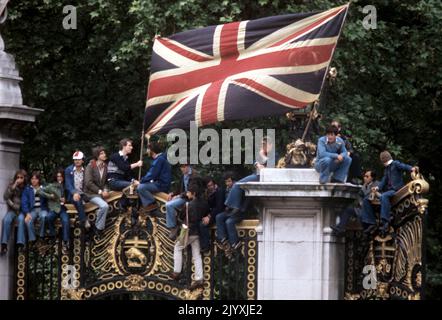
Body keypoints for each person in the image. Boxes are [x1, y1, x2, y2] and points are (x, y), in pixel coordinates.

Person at [361, 151, 417, 236]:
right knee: (368, 200)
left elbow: (404, 166)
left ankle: (385, 221)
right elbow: (383, 181)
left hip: (396, 190)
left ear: (384, 160)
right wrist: (377, 188)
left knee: (384, 196)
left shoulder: (395, 163)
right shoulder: (387, 169)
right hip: (390, 191)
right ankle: (371, 223)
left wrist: (412, 169)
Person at [171, 182, 208, 290]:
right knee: (197, 255)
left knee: (177, 247)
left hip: (188, 232)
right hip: (198, 232)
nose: (187, 193)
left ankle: (177, 271)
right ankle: (199, 279)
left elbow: (181, 216)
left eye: (188, 192)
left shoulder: (188, 205)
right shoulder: (204, 203)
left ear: (193, 193)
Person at [330, 170, 379, 236]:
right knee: (348, 209)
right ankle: (340, 228)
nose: (364, 178)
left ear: (372, 178)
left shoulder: (377, 184)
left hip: (371, 209)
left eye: (367, 176)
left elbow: (376, 196)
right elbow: (359, 195)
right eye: (364, 176)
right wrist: (361, 202)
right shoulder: (364, 185)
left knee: (360, 218)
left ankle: (367, 228)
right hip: (362, 208)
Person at [166, 162, 199, 240]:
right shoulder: (184, 175)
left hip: (192, 198)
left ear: (187, 166)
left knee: (169, 205)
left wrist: (179, 196)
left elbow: (191, 190)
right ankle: (173, 225)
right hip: (184, 197)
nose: (182, 169)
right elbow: (179, 188)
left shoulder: (195, 175)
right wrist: (173, 194)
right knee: (168, 203)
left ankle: (173, 227)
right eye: (181, 167)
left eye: (183, 167)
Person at [17, 171, 49, 246]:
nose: (34, 180)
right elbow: (24, 203)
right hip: (32, 210)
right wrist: (27, 213)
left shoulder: (44, 188)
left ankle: (41, 236)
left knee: (43, 217)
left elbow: (49, 200)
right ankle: (32, 239)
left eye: (36, 179)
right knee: (28, 220)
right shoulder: (27, 189)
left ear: (39, 180)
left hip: (42, 209)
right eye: (32, 179)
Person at [137, 141, 172, 209]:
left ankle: (151, 204)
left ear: (151, 150)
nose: (147, 151)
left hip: (161, 185)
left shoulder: (159, 160)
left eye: (148, 149)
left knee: (140, 187)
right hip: (161, 183)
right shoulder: (161, 158)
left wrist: (140, 181)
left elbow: (151, 175)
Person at [198, 175, 228, 253]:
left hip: (218, 213)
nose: (210, 187)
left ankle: (206, 246)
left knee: (203, 224)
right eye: (208, 186)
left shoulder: (219, 191)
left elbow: (219, 207)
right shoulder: (207, 193)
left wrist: (209, 216)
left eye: (211, 185)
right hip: (211, 212)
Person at [42, 169, 71, 250]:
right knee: (49, 217)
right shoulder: (52, 185)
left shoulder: (66, 186)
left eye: (61, 176)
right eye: (58, 176)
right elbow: (44, 193)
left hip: (63, 208)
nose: (59, 178)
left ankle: (66, 241)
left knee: (65, 220)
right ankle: (53, 235)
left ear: (63, 177)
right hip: (54, 208)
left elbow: (70, 196)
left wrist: (66, 200)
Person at [84, 146, 110, 235]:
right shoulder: (90, 166)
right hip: (90, 194)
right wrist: (100, 191)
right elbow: (88, 183)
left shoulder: (105, 167)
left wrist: (106, 189)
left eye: (104, 153)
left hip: (100, 194)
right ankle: (98, 228)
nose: (104, 154)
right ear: (97, 155)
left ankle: (98, 225)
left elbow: (105, 182)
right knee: (104, 206)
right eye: (102, 153)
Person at [1, 170, 27, 254]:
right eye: (17, 177)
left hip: (22, 211)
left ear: (24, 178)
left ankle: (20, 244)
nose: (19, 179)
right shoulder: (12, 185)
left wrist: (17, 206)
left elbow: (27, 202)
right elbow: (6, 197)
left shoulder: (27, 188)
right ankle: (4, 244)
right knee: (6, 220)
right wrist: (15, 185)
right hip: (13, 210)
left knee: (21, 220)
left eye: (21, 178)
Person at [65, 151, 90, 230]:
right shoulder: (69, 170)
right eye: (75, 159)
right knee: (78, 200)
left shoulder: (86, 170)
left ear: (82, 160)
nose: (77, 161)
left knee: (96, 200)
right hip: (73, 195)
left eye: (79, 159)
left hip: (84, 193)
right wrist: (74, 193)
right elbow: (68, 184)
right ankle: (84, 221)